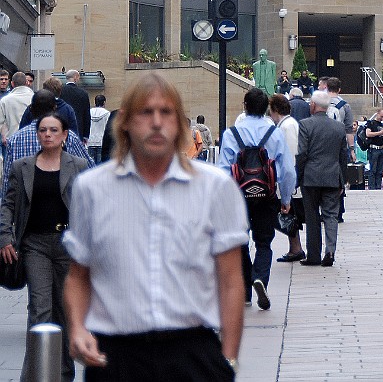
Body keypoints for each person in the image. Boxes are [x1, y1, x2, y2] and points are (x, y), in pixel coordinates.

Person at [62, 72, 248, 381]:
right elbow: (78, 275)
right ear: (125, 124)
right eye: (146, 112)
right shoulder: (91, 189)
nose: (157, 122)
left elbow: (230, 280)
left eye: (166, 112)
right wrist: (78, 328)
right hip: (117, 356)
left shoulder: (215, 188)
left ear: (180, 124)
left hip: (192, 352)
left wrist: (229, 358)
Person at [0, 110, 89, 381]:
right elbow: (8, 204)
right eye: (43, 130)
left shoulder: (77, 166)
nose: (47, 134)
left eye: (53, 130)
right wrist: (5, 237)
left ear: (64, 136)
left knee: (64, 309)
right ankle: (35, 373)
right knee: (40, 308)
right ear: (37, 135)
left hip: (66, 246)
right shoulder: (22, 167)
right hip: (34, 244)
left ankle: (62, 372)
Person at [218, 88, 295, 310]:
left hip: (239, 197)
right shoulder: (275, 133)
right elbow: (287, 170)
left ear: (245, 106)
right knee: (264, 241)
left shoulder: (231, 134)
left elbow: (223, 170)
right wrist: (286, 198)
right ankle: (260, 277)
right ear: (267, 109)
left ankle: (244, 290)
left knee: (240, 241)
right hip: (266, 195)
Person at [3, 90, 94, 199]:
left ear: (31, 109)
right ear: (55, 108)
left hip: (25, 203)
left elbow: (7, 181)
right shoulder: (68, 137)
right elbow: (90, 169)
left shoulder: (14, 140)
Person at [297, 91, 348, 267]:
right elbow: (344, 156)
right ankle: (330, 250)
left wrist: (299, 175)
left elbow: (302, 153)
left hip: (310, 177)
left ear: (313, 105)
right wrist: (342, 179)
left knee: (312, 216)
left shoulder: (305, 125)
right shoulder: (339, 127)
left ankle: (313, 255)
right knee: (331, 215)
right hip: (332, 176)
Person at [267, 94, 305, 264]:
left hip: (290, 178)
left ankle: (296, 248)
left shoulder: (287, 126)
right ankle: (294, 247)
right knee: (289, 214)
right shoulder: (286, 124)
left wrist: (288, 180)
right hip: (290, 177)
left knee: (289, 214)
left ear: (275, 110)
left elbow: (290, 154)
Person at [0, 71, 34, 150]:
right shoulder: (34, 98)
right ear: (26, 82)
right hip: (30, 140)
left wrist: (4, 136)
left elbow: (1, 122)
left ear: (12, 83)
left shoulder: (5, 100)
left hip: (11, 140)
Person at [61, 70, 92, 143]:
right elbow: (86, 115)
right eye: (78, 77)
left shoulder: (60, 91)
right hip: (78, 129)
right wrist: (85, 135)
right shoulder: (83, 93)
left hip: (62, 128)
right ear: (75, 77)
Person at [365, 108, 383, 189]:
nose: (382, 118)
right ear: (377, 113)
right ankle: (372, 187)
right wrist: (379, 133)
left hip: (381, 148)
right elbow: (368, 134)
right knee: (373, 170)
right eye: (381, 116)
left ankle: (378, 187)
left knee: (379, 170)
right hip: (373, 148)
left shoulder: (382, 125)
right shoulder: (370, 123)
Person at [87, 95, 111, 164]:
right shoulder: (107, 114)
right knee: (100, 166)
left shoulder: (89, 112)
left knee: (90, 165)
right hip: (101, 141)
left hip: (90, 141)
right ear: (104, 102)